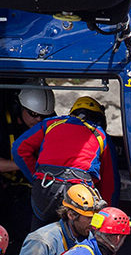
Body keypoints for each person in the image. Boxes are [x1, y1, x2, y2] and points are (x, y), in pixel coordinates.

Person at [12, 96, 118, 227]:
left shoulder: (51, 123)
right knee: (79, 236)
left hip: (45, 186)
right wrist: (107, 215)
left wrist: (36, 176)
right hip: (80, 194)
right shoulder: (101, 135)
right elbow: (109, 182)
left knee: (39, 233)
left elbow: (19, 149)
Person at [0, 87, 55, 246]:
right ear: (19, 108)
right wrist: (24, 163)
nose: (39, 120)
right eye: (33, 114)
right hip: (2, 186)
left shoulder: (51, 126)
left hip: (30, 190)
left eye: (44, 116)